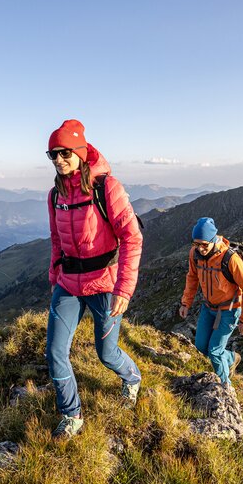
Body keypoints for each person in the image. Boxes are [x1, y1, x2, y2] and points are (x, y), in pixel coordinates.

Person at [45, 119, 143, 440]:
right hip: (69, 284)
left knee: (106, 354)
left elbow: (132, 237)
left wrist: (124, 290)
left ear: (79, 152)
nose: (59, 160)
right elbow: (56, 239)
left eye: (64, 153)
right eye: (52, 155)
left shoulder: (106, 188)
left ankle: (132, 378)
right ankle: (71, 415)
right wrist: (54, 276)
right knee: (56, 352)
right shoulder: (55, 194)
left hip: (104, 284)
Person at [179, 217, 243, 385]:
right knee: (201, 346)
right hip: (208, 308)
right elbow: (192, 278)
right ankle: (231, 358)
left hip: (229, 310)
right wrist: (186, 302)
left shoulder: (230, 259)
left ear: (213, 240)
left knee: (214, 351)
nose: (200, 248)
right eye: (196, 244)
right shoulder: (195, 254)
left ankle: (224, 387)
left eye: (204, 245)